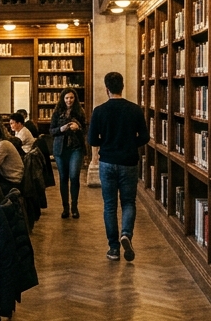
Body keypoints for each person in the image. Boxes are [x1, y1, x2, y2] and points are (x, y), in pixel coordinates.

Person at [88, 72, 150, 262]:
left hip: (107, 162)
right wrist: (131, 143)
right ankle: (126, 234)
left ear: (107, 89)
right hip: (129, 162)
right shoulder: (135, 110)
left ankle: (113, 248)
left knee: (109, 205)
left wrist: (106, 142)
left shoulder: (99, 111)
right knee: (129, 202)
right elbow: (145, 137)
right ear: (122, 87)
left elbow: (91, 139)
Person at [49, 88, 87, 219]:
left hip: (76, 148)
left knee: (74, 176)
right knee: (63, 177)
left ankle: (74, 206)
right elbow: (52, 131)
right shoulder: (57, 112)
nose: (69, 100)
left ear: (75, 98)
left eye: (71, 98)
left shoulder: (80, 112)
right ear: (63, 99)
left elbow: (86, 129)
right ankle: (65, 207)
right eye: (66, 98)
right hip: (60, 149)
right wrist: (62, 128)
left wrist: (79, 128)